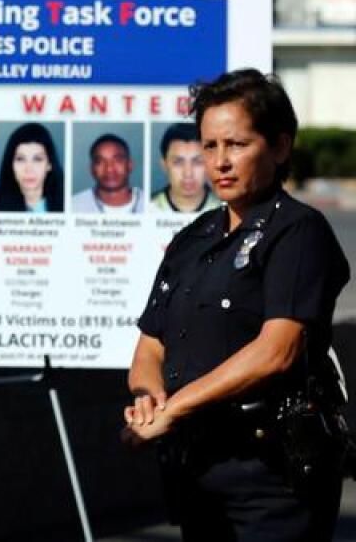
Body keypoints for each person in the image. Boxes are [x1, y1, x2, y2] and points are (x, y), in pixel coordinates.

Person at [123, 69, 350, 540]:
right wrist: (150, 403)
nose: (221, 162)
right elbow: (150, 348)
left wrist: (175, 408)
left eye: (237, 145)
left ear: (281, 147)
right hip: (198, 473)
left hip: (272, 478)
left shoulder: (298, 232)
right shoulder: (192, 239)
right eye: (210, 146)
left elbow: (277, 351)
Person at [0, 122, 64, 212]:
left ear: (49, 165)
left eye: (37, 159)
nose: (29, 169)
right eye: (20, 159)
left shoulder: (65, 204)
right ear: (11, 164)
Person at [151, 123, 221, 213]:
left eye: (197, 162)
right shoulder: (148, 208)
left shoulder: (226, 210)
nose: (188, 174)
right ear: (164, 165)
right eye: (178, 162)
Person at [71, 133, 144, 213]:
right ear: (91, 169)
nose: (109, 169)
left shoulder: (150, 205)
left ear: (130, 165)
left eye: (117, 160)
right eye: (100, 162)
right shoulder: (73, 206)